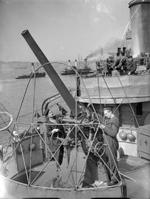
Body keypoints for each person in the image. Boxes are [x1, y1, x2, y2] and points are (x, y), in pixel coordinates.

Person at [99, 107, 121, 186]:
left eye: (106, 114)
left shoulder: (115, 120)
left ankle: (115, 179)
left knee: (112, 161)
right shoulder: (108, 120)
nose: (105, 116)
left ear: (110, 112)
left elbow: (113, 133)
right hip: (106, 142)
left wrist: (104, 127)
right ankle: (110, 178)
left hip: (111, 142)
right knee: (108, 161)